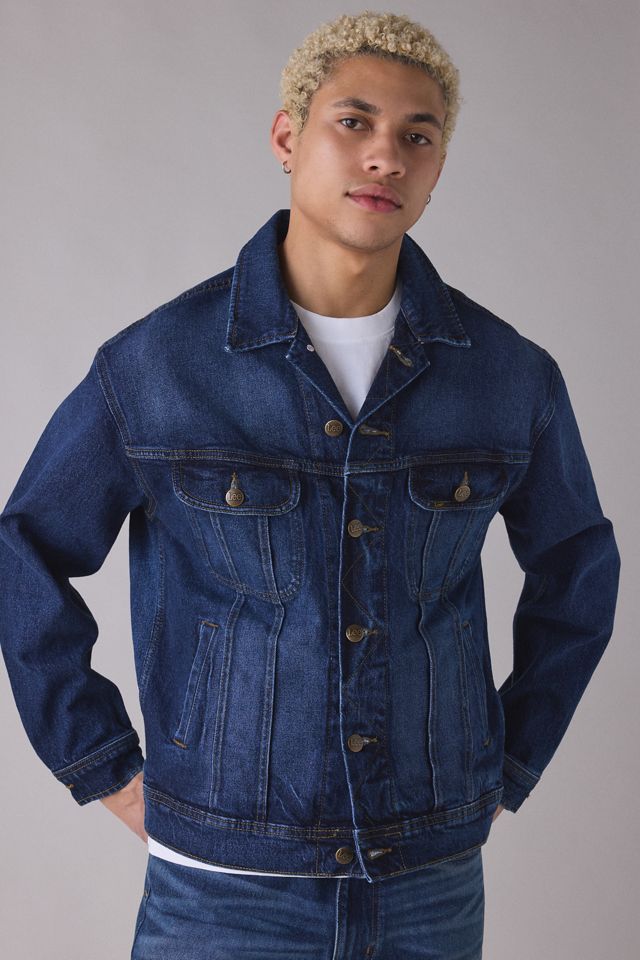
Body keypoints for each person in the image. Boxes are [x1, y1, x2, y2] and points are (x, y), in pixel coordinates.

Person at [0, 10, 621, 960]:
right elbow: (26, 549)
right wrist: (102, 764)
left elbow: (579, 567)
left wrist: (510, 761)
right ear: (288, 137)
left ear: (438, 170)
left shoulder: (508, 377)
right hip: (222, 890)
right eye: (354, 122)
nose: (385, 157)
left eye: (418, 137)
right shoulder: (159, 366)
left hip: (430, 885)